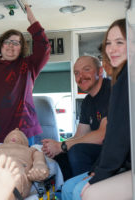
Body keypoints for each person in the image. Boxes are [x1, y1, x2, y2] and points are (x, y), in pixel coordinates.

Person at [61, 18, 131, 200]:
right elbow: (81, 135)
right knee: (67, 188)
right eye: (108, 43)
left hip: (124, 161)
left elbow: (111, 136)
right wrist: (59, 146)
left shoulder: (120, 85)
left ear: (99, 72)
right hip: (117, 159)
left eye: (119, 42)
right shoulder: (120, 81)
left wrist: (100, 173)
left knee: (79, 190)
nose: (111, 49)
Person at [0, 5, 51, 148]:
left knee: (23, 168)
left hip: (23, 132)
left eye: (16, 43)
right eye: (7, 42)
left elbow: (44, 47)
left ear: (21, 47)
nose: (11, 46)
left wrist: (31, 17)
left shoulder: (28, 66)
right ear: (1, 45)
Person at [41, 56, 111, 180]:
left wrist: (62, 146)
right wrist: (56, 147)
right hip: (101, 151)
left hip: (116, 153)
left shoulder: (110, 90)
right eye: (76, 73)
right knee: (61, 156)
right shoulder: (87, 102)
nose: (81, 76)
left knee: (77, 151)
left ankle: (86, 190)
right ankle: (67, 191)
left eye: (86, 69)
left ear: (100, 71)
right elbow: (80, 136)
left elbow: (103, 135)